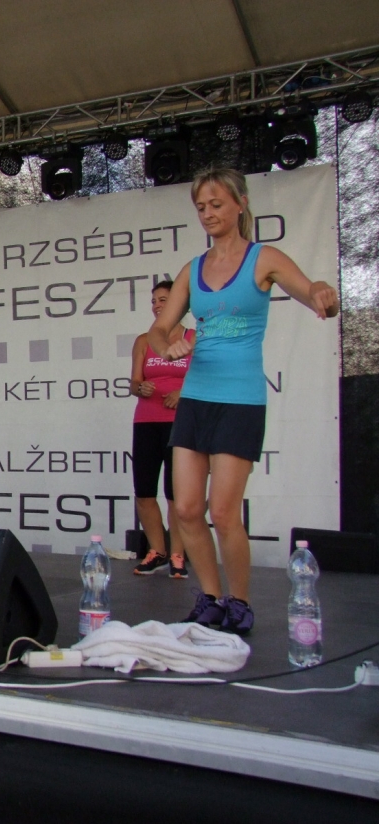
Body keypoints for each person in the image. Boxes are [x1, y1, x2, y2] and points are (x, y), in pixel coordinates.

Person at [149, 168, 338, 635]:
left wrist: (322, 294)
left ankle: (240, 602)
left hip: (239, 400)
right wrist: (167, 344)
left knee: (223, 512)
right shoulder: (192, 270)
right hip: (196, 398)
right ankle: (211, 598)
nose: (208, 213)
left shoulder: (263, 258)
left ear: (240, 204)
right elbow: (159, 329)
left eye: (216, 204)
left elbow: (308, 290)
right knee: (186, 508)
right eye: (201, 207)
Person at [130, 280, 193, 579]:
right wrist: (139, 388)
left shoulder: (193, 338)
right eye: (154, 301)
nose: (157, 305)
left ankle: (178, 553)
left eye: (164, 300)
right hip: (146, 421)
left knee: (175, 494)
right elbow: (134, 382)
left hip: (181, 424)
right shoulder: (144, 340)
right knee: (144, 491)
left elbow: (207, 378)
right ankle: (157, 551)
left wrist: (183, 393)